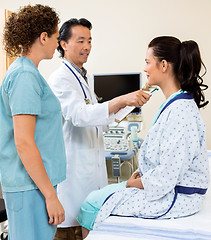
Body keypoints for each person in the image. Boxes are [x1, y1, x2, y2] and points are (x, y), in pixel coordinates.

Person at [77, 36, 210, 238]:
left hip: (177, 197)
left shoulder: (180, 111)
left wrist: (133, 184)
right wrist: (139, 176)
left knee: (92, 204)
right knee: (100, 196)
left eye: (148, 62)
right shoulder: (174, 105)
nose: (145, 69)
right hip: (163, 186)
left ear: (163, 65)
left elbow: (167, 175)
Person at [48, 18, 150, 239]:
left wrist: (128, 104)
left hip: (90, 175)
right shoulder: (60, 80)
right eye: (81, 40)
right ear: (63, 44)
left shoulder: (82, 79)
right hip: (73, 176)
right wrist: (122, 98)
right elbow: (80, 116)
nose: (87, 47)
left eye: (90, 41)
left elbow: (100, 121)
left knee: (89, 225)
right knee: (71, 229)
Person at [0, 4, 66, 239]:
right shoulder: (25, 77)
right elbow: (24, 143)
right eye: (57, 37)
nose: (58, 44)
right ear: (43, 37)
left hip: (34, 183)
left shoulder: (28, 73)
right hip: (29, 186)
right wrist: (50, 195)